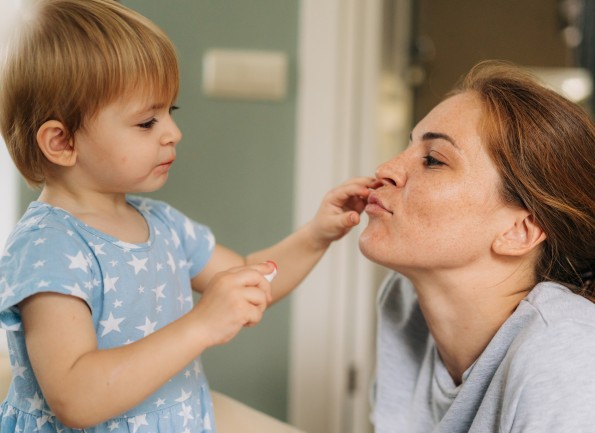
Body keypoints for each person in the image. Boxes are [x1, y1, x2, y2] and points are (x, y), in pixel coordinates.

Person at [0, 0, 378, 431]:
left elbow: (250, 279)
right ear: (62, 142)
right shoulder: (48, 246)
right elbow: (76, 398)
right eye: (147, 122)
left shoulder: (164, 225)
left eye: (170, 113)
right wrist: (201, 324)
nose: (173, 133)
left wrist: (316, 235)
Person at [359, 60, 595, 432]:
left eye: (433, 160)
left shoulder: (575, 363)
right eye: (408, 147)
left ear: (520, 230)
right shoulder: (406, 303)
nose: (386, 168)